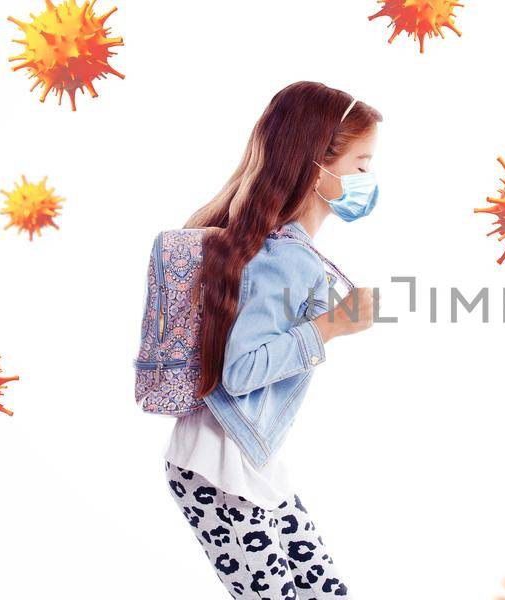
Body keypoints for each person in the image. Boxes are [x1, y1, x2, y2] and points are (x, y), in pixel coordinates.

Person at [163, 80, 380, 599]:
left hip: (247, 461)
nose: (368, 179)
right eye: (361, 165)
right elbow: (240, 372)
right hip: (219, 468)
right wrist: (331, 326)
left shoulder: (286, 248)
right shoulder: (285, 256)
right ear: (316, 167)